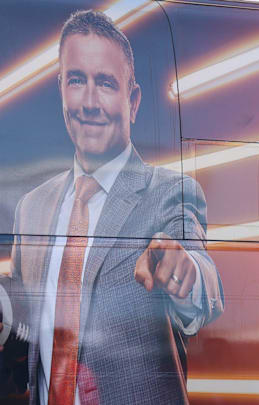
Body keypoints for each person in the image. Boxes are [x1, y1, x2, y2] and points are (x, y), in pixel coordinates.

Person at [1, 10, 224, 405]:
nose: (89, 102)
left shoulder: (171, 192)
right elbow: (24, 324)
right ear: (61, 91)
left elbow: (203, 280)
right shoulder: (30, 208)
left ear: (132, 100)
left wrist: (186, 272)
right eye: (76, 81)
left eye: (105, 83)